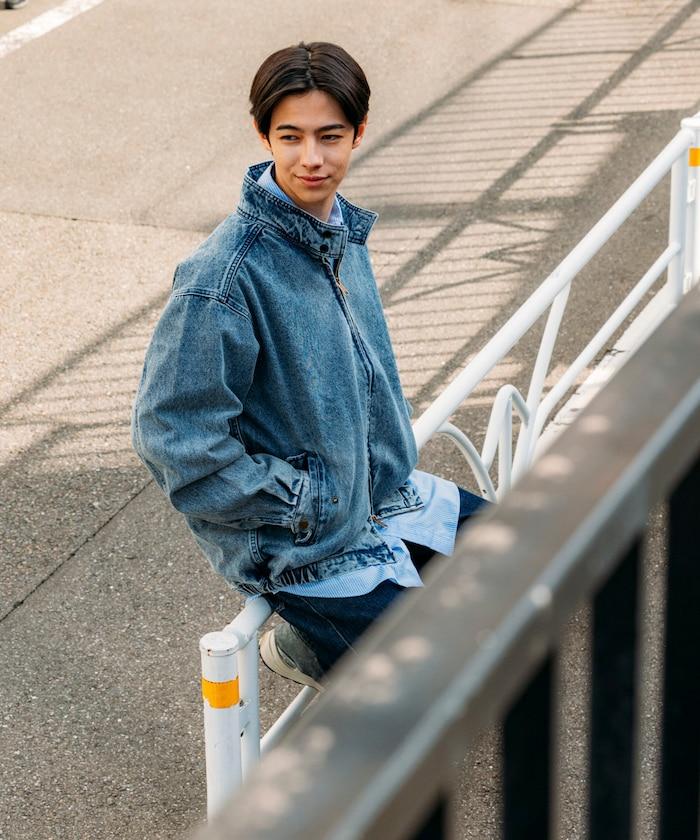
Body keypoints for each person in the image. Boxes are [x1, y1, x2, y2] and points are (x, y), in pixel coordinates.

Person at [132, 42, 489, 692]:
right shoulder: (222, 279)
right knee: (447, 683)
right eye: (290, 137)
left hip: (380, 495)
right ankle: (309, 642)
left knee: (531, 559)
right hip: (302, 540)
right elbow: (173, 437)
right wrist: (305, 500)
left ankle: (350, 630)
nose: (312, 159)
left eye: (330, 136)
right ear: (263, 134)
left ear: (359, 132)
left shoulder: (338, 231)